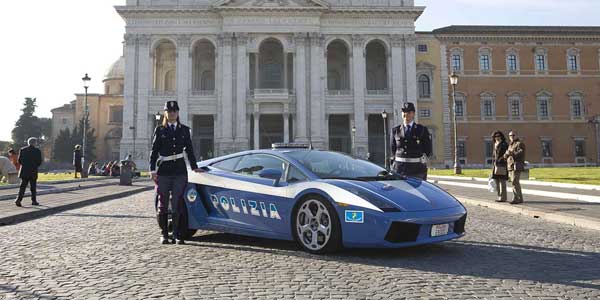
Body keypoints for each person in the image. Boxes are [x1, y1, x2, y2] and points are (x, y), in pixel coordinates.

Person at [150, 100, 203, 245]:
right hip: (164, 171)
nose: (172, 113)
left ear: (178, 113)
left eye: (174, 111)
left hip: (179, 170)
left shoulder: (185, 130)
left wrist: (194, 167)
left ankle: (178, 234)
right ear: (165, 113)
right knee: (163, 203)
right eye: (169, 111)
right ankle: (164, 234)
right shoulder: (160, 130)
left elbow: (190, 150)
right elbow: (154, 151)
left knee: (177, 203)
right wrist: (152, 169)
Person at [390, 102, 432, 180]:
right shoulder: (395, 131)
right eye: (404, 112)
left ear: (413, 114)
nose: (406, 114)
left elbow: (428, 150)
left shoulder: (422, 130)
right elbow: (393, 149)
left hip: (417, 169)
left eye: (408, 112)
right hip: (399, 169)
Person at [14, 137, 43, 207]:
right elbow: (39, 162)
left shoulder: (22, 150)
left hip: (24, 171)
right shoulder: (37, 151)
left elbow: (19, 161)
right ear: (35, 143)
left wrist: (25, 165)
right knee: (33, 187)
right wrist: (35, 165)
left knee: (22, 187)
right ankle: (34, 201)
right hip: (33, 170)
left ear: (28, 142)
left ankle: (18, 199)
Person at [504, 130, 526, 204]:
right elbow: (506, 155)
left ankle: (517, 198)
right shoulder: (510, 145)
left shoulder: (519, 144)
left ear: (516, 136)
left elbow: (521, 153)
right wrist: (506, 154)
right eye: (510, 135)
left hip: (517, 165)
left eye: (513, 135)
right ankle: (519, 198)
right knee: (514, 182)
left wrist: (512, 153)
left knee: (515, 182)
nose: (512, 137)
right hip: (510, 166)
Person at [491, 131, 509, 202]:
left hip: (502, 165)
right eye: (495, 136)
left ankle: (503, 198)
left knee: (502, 181)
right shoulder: (495, 144)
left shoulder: (504, 144)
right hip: (495, 165)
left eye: (498, 136)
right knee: (496, 181)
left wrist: (500, 160)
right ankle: (499, 196)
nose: (497, 137)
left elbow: (506, 155)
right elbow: (494, 155)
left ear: (501, 136)